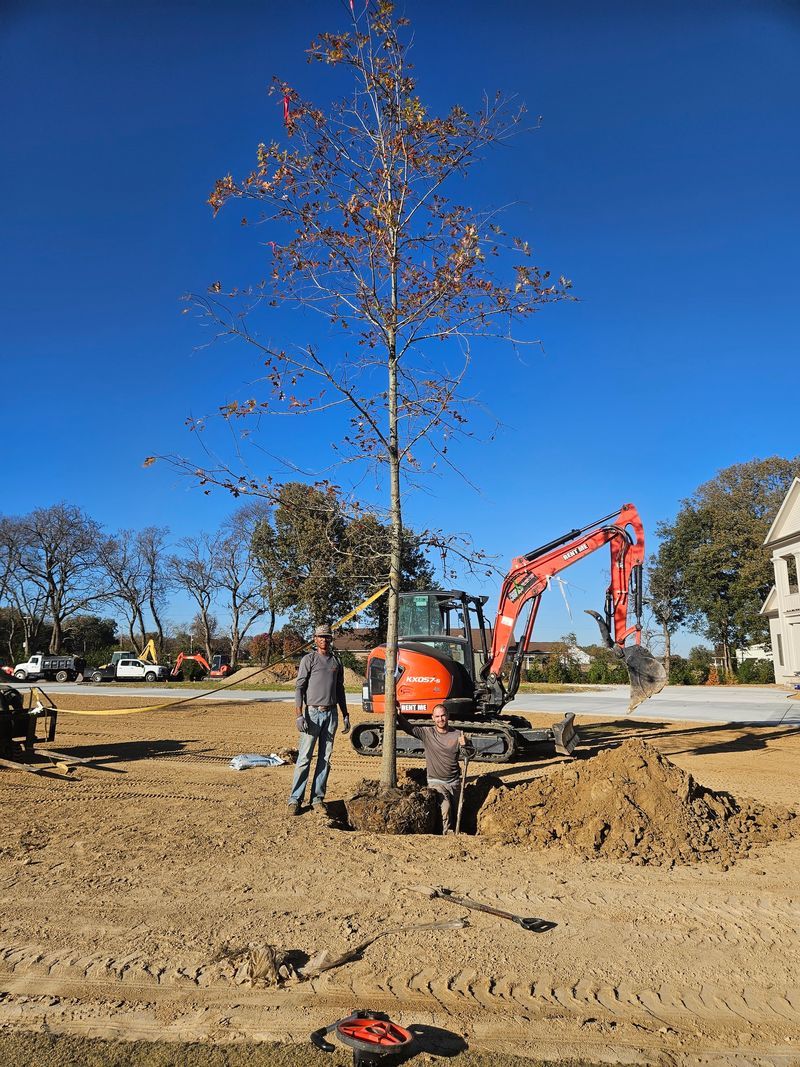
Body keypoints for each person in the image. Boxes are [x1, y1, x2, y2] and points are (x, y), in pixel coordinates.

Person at [288, 624, 350, 816]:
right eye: (320, 637)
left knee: (325, 758)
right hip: (312, 714)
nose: (324, 640)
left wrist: (345, 713)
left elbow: (340, 690)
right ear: (315, 639)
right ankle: (295, 799)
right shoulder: (309, 659)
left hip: (331, 715)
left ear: (331, 639)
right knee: (305, 758)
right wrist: (299, 715)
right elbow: (299, 688)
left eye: (327, 637)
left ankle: (317, 798)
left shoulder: (336, 662)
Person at [397, 704, 474, 834]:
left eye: (443, 715)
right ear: (433, 718)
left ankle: (457, 833)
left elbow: (469, 755)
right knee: (446, 808)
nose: (440, 719)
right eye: (437, 716)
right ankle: (445, 835)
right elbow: (410, 729)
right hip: (436, 781)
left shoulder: (457, 735)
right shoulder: (428, 733)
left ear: (448, 716)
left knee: (457, 811)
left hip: (454, 782)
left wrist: (466, 745)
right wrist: (399, 716)